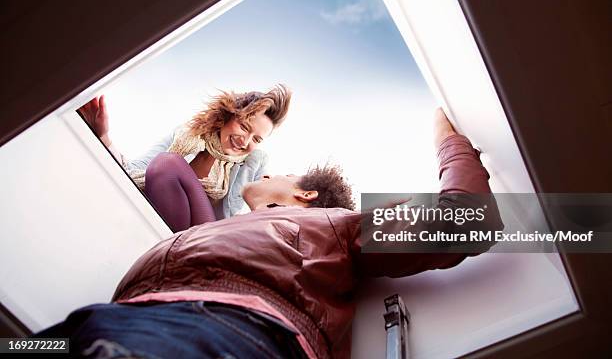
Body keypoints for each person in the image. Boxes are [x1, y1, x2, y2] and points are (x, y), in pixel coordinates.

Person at [37, 109, 503, 358]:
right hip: (94, 320)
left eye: (283, 170)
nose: (268, 169)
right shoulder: (228, 226)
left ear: (305, 197)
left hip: (208, 330)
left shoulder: (334, 225)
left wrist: (449, 138)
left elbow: (464, 217)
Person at [78, 85, 292, 232]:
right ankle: (165, 245)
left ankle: (174, 247)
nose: (245, 141)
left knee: (167, 163)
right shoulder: (186, 135)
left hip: (205, 232)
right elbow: (133, 170)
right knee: (166, 162)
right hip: (162, 220)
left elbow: (244, 211)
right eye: (244, 127)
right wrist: (103, 135)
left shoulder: (253, 161)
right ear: (229, 115)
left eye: (257, 138)